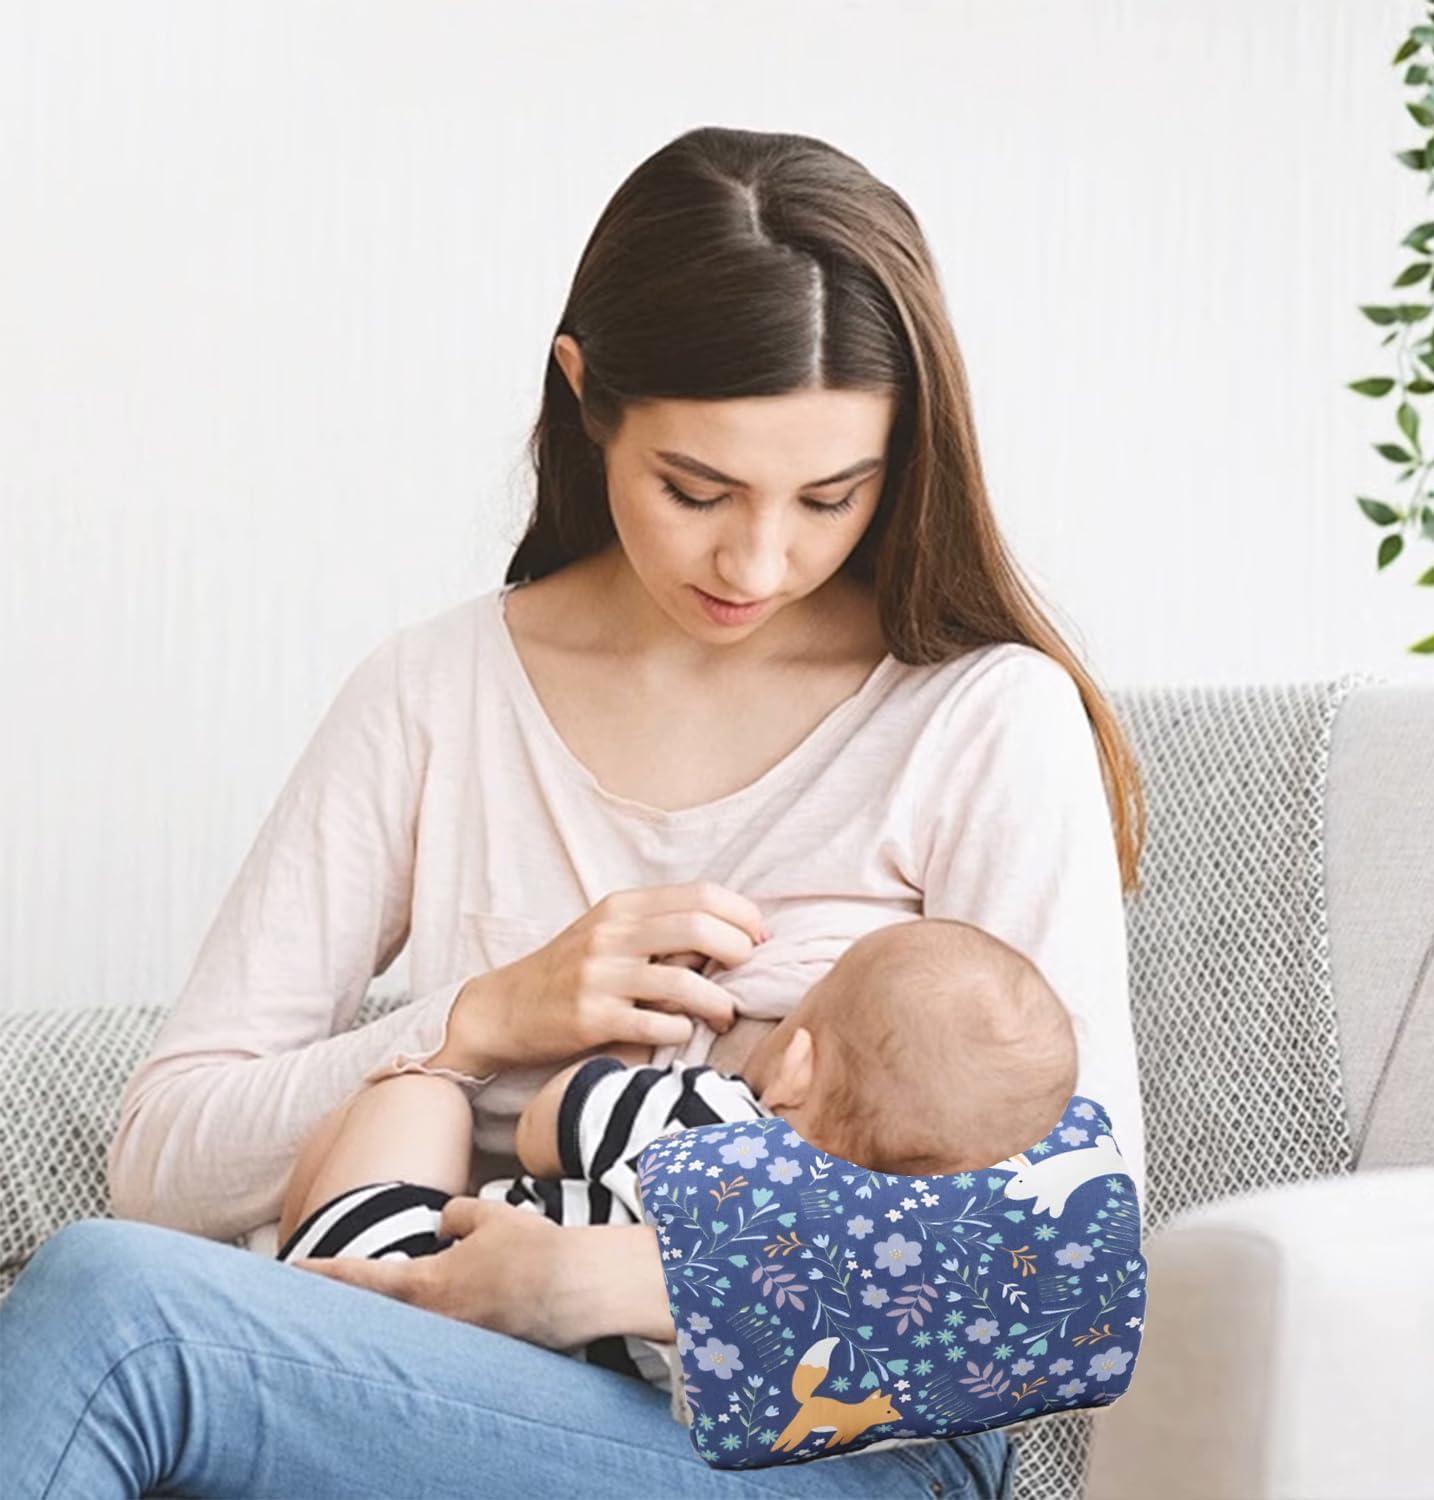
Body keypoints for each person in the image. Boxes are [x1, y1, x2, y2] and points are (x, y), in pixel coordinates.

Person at [0, 124, 1147, 1498]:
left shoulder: (980, 718)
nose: (760, 558)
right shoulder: (435, 692)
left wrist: (589, 1279)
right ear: (584, 392)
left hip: (825, 1440)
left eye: (832, 496)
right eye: (697, 488)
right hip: (442, 1381)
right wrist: (477, 1020)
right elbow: (164, 1165)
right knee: (114, 1286)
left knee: (120, 1324)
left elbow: (1074, 1267)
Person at [272, 917, 1080, 1423]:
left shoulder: (713, 1122)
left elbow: (544, 1131)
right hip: (573, 1398)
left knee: (415, 1098)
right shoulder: (858, 1275)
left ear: (795, 1063)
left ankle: (288, 1293)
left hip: (418, 1294)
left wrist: (621, 1065)